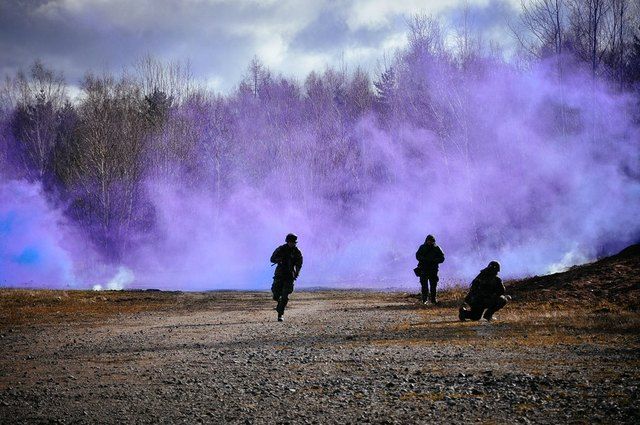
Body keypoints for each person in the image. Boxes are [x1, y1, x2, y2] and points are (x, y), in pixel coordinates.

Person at [270, 233, 303, 322]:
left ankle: (280, 314)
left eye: (294, 242)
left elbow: (299, 263)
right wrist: (279, 259)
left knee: (285, 295)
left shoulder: (297, 252)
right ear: (287, 241)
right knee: (275, 294)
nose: (292, 244)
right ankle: (279, 304)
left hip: (289, 276)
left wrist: (297, 273)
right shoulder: (281, 249)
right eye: (290, 242)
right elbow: (272, 259)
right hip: (279, 274)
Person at [415, 234, 445, 304]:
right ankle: (424, 300)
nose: (430, 242)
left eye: (431, 241)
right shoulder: (422, 247)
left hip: (433, 269)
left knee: (433, 286)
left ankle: (433, 300)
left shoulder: (437, 248)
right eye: (429, 241)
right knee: (424, 286)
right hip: (424, 269)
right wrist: (423, 259)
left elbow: (442, 258)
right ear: (426, 241)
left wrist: (434, 261)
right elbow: (417, 255)